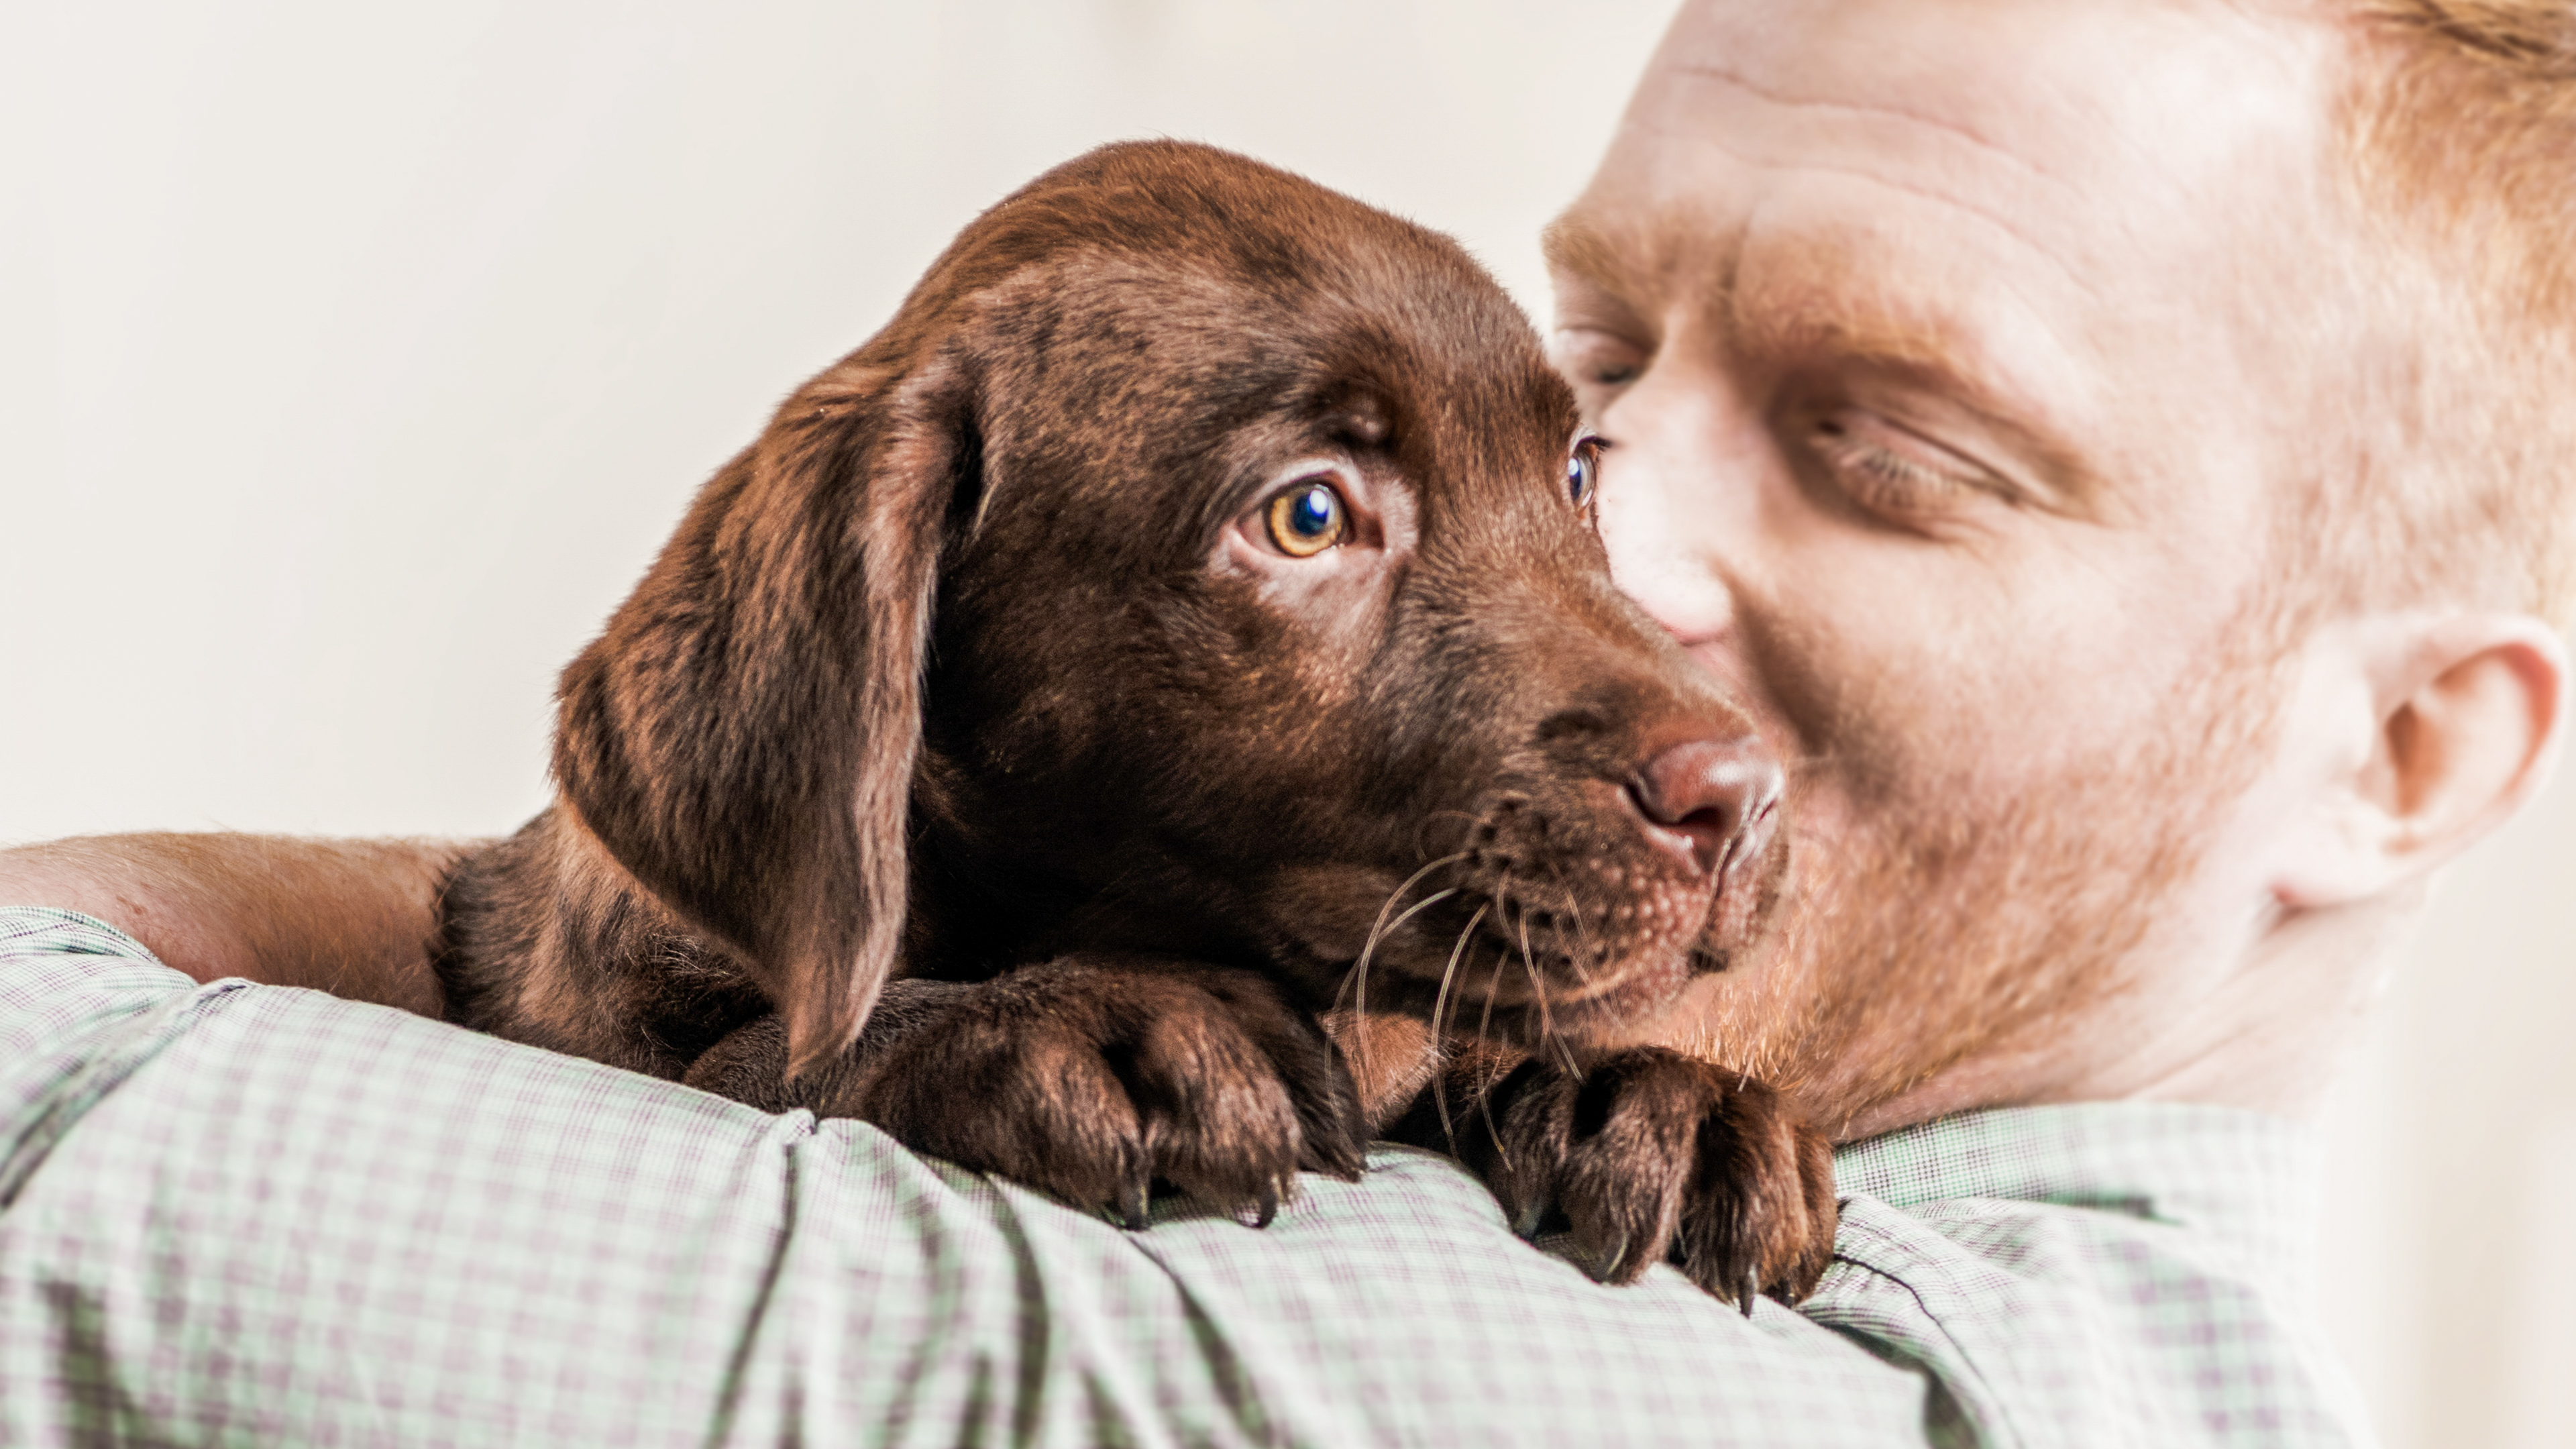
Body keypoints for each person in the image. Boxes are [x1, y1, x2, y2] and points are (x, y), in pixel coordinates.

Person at [4, 0, 2568, 1442]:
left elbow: (51, 1111)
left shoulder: (1686, 1397)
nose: (1635, 577)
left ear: (2409, 760)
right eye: (1601, 388)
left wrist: (356, 931)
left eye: (1887, 450)